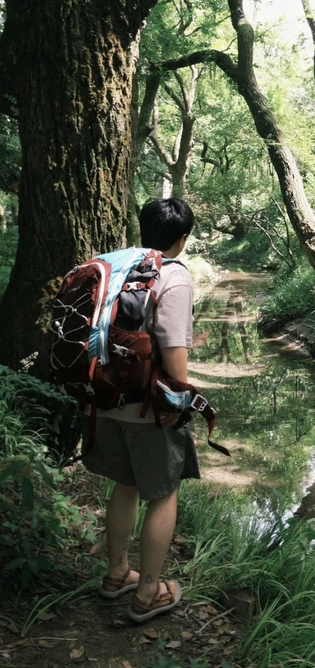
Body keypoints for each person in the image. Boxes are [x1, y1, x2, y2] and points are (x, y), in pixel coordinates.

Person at [81, 198, 200, 622]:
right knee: (163, 494)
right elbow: (172, 348)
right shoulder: (173, 277)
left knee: (124, 484)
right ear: (182, 239)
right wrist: (182, 400)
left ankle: (117, 574)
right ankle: (148, 593)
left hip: (104, 398)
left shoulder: (115, 266)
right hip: (148, 408)